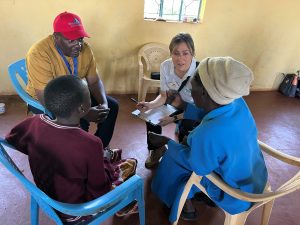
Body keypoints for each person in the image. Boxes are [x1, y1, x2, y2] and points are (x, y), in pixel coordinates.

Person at [5, 76, 137, 224]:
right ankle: (122, 204)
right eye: (88, 95)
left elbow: (12, 139)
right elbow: (100, 189)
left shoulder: (33, 122)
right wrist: (103, 160)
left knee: (107, 156)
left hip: (45, 195)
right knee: (130, 164)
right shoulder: (91, 144)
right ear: (82, 108)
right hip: (76, 210)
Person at [150, 57, 268, 222]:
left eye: (194, 82)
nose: (190, 86)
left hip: (235, 195)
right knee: (187, 148)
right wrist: (182, 105)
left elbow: (198, 166)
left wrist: (165, 142)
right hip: (255, 176)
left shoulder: (207, 133)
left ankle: (182, 204)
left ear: (205, 92)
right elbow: (213, 111)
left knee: (172, 159)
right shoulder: (236, 102)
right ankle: (197, 197)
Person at [25, 11, 118, 149]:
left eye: (80, 39)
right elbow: (45, 97)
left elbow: (94, 81)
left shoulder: (85, 50)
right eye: (71, 40)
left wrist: (103, 103)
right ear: (56, 37)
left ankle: (98, 147)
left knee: (111, 106)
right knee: (79, 120)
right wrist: (85, 113)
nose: (78, 45)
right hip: (47, 97)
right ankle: (78, 153)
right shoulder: (39, 53)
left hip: (73, 93)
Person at [136, 33, 205, 169]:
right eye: (176, 53)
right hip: (175, 103)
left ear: (192, 54)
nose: (180, 59)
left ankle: (182, 152)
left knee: (187, 137)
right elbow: (163, 96)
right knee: (150, 114)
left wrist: (174, 119)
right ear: (170, 53)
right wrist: (149, 105)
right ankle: (157, 149)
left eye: (185, 53)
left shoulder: (200, 71)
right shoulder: (165, 66)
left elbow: (202, 110)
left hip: (194, 110)